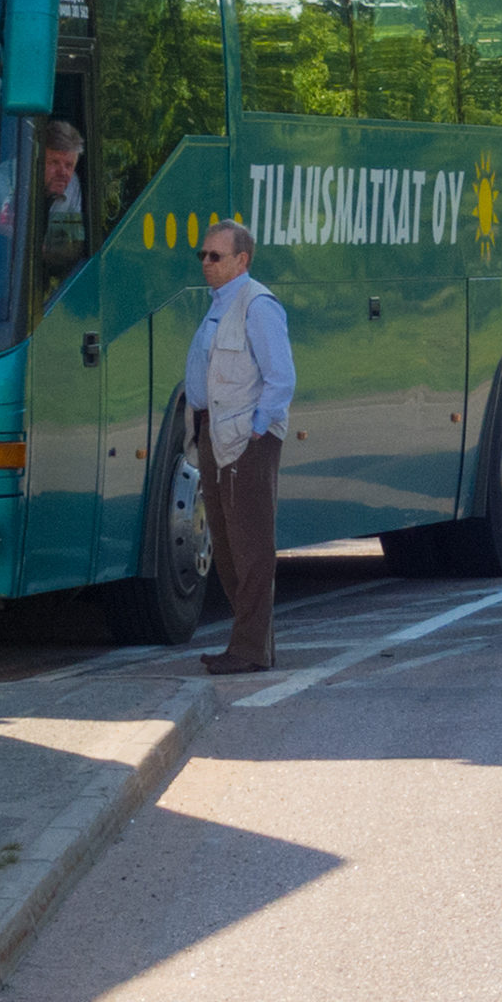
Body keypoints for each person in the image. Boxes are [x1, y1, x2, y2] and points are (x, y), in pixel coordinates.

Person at [183, 221, 294, 675]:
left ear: (241, 261)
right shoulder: (219, 306)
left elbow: (281, 377)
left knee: (250, 547)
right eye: (203, 255)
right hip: (214, 433)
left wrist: (256, 428)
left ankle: (248, 650)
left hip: (245, 440)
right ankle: (252, 646)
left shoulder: (257, 305)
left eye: (215, 256)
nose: (206, 263)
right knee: (227, 547)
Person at [0, 118, 84, 239]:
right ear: (35, 159)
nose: (63, 173)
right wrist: (6, 226)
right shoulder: (11, 176)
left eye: (69, 165)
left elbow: (71, 240)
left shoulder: (72, 183)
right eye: (54, 162)